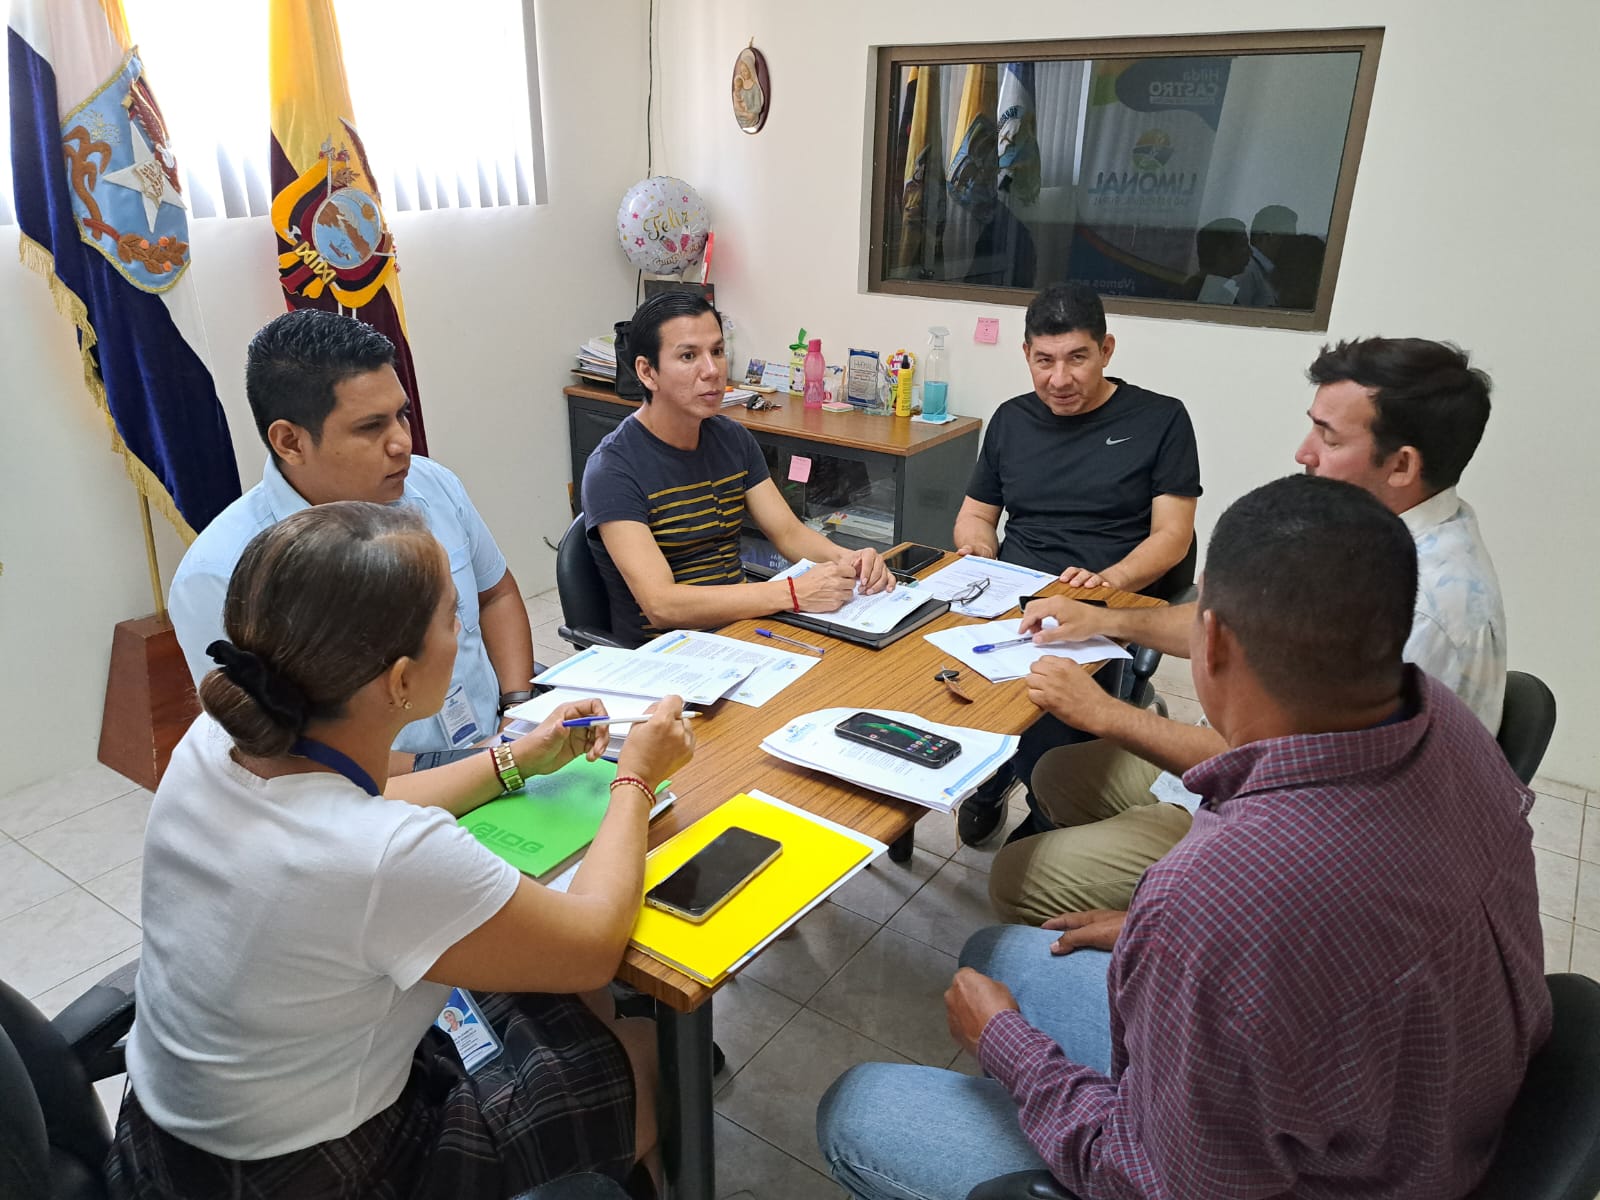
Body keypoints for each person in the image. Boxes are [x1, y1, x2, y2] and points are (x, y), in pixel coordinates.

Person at [817, 475, 1550, 1200]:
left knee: (858, 1108)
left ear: (1213, 642)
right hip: (1427, 1122)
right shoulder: (1447, 723)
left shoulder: (1216, 894)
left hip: (1315, 1178)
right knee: (997, 952)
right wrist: (1156, 935)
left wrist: (1004, 1044)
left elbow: (1149, 1180)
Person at [109, 502, 696, 1199]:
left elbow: (369, 800)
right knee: (640, 1053)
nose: (463, 632)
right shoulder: (384, 856)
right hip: (316, 1171)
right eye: (452, 618)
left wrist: (515, 760)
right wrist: (637, 776)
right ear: (400, 681)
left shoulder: (213, 742)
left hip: (172, 1141)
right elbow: (594, 940)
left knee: (562, 1001)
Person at [991, 336, 1507, 924]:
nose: (1303, 452)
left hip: (1285, 836)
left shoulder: (1419, 609)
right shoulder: (1373, 533)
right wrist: (1105, 617)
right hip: (1256, 775)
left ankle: (1131, 902)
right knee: (1057, 772)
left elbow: (1286, 777)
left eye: (1329, 437)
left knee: (1018, 876)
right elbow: (1242, 626)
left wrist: (1106, 714)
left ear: (1403, 465)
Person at [169, 309, 534, 767]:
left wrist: (518, 710)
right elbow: (280, 756)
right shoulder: (220, 573)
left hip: (495, 742)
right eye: (370, 427)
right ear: (290, 442)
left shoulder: (431, 484)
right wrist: (483, 768)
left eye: (401, 415)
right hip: (371, 793)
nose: (402, 442)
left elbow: (495, 594)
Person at [951, 282, 1201, 843]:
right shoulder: (1011, 419)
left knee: (1052, 703)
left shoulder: (1161, 419)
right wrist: (978, 550)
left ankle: (1046, 801)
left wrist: (1109, 583)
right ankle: (993, 772)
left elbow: (1173, 537)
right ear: (1026, 354)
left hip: (1103, 603)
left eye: (1077, 358)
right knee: (937, 678)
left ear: (1106, 350)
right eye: (1044, 360)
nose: (1059, 379)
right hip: (1012, 593)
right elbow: (976, 516)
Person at [582, 292, 892, 647]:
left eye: (717, 351)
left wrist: (851, 560)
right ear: (647, 372)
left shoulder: (731, 438)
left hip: (742, 632)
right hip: (668, 654)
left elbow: (788, 532)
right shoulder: (613, 469)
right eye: (688, 356)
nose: (712, 370)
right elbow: (661, 604)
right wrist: (792, 593)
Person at [1232, 203, 1298, 307]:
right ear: (1267, 236)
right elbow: (1233, 314)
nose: (1292, 243)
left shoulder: (1268, 271)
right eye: (1288, 236)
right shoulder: (1245, 271)